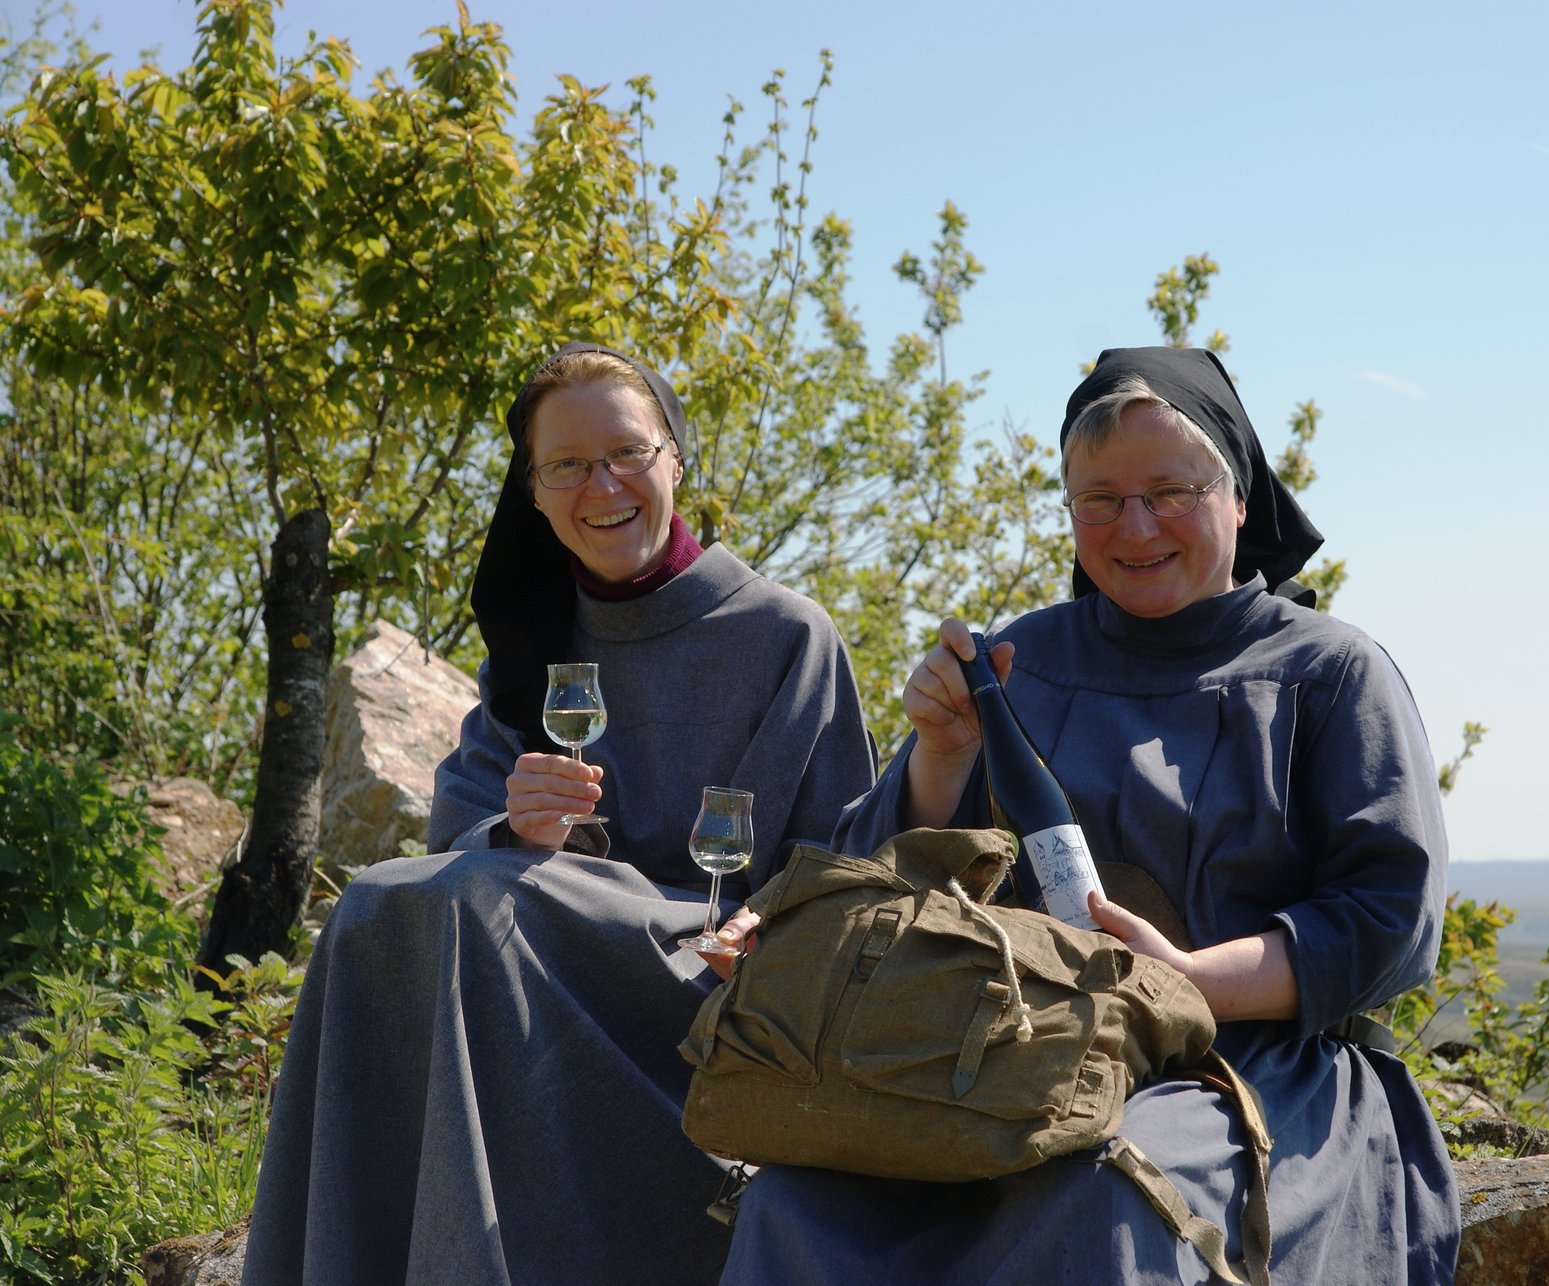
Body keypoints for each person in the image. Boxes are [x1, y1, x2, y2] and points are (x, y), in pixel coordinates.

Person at [720, 346, 1458, 1284]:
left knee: (1106, 1187)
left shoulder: (1330, 672)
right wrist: (942, 757)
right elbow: (878, 881)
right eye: (1099, 499)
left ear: (1239, 499)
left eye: (1170, 491)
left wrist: (1188, 978)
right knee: (804, 1200)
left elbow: (1390, 921)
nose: (1135, 525)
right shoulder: (1022, 658)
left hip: (1247, 1066)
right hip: (1005, 1058)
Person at [242, 343, 876, 1285]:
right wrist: (511, 829)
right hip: (536, 946)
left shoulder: (785, 636)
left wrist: (763, 918)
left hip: (705, 979)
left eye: (627, 453)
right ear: (534, 493)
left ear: (675, 460)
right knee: (376, 909)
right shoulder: (533, 634)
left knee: (468, 912)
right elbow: (456, 835)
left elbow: (842, 862)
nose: (603, 485)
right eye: (568, 466)